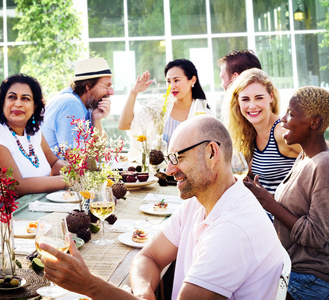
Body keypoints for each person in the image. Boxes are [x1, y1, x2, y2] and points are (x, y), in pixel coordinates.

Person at [39, 115, 285, 299]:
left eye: (178, 158)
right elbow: (149, 256)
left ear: (212, 153)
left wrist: (89, 285)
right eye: (169, 160)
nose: (169, 170)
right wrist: (144, 292)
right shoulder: (202, 201)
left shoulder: (232, 229)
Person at [244, 86, 329, 300]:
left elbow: (315, 235)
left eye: (291, 114)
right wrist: (263, 196)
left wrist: (268, 202)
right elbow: (297, 210)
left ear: (315, 122)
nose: (282, 119)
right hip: (290, 268)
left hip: (309, 281)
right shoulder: (304, 156)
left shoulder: (323, 165)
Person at [118, 58, 213, 160]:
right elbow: (124, 125)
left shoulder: (202, 113)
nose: (172, 86)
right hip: (160, 172)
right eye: (168, 81)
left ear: (192, 80)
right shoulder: (159, 108)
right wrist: (134, 92)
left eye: (176, 80)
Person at [225, 68, 300, 196]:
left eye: (259, 98)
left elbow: (323, 154)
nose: (252, 106)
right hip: (260, 212)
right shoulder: (249, 134)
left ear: (271, 96)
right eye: (245, 99)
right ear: (237, 101)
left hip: (284, 214)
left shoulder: (281, 131)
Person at [0, 74, 67, 196]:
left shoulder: (34, 132)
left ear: (35, 106)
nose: (18, 103)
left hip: (43, 203)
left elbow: (54, 162)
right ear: (3, 102)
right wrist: (68, 181)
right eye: (12, 97)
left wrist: (77, 174)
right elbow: (16, 186)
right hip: (14, 212)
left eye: (25, 98)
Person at [41, 57, 113, 151]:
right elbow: (75, 158)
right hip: (57, 165)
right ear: (88, 86)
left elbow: (100, 150)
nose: (111, 92)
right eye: (107, 86)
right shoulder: (70, 104)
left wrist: (96, 120)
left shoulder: (86, 103)